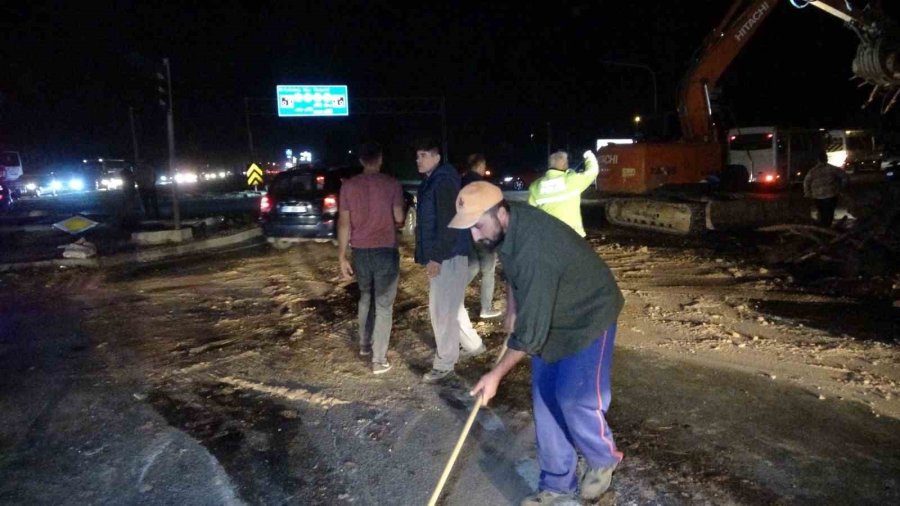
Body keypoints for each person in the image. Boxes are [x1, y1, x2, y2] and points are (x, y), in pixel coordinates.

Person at [452, 182, 625, 505]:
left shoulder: (535, 248)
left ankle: (603, 457)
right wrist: (513, 307)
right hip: (553, 309)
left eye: (477, 226)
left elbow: (530, 335)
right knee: (546, 400)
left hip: (588, 313)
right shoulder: (507, 226)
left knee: (574, 397)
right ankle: (557, 487)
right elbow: (513, 272)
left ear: (500, 213)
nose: (475, 236)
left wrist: (495, 376)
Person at [414, 138, 484, 383]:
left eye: (423, 155)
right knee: (451, 306)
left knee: (442, 311)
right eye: (417, 156)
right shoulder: (436, 181)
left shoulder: (442, 182)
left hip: (448, 256)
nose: (418, 160)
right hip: (450, 254)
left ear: (436, 157)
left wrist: (436, 257)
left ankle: (444, 364)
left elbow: (449, 223)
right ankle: (474, 346)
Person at [337, 142, 405, 375]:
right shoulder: (392, 184)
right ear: (380, 159)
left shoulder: (348, 187)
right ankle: (379, 360)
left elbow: (344, 223)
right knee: (384, 304)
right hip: (385, 250)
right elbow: (398, 217)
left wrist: (341, 257)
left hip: (360, 252)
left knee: (366, 296)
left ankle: (365, 344)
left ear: (360, 161)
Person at [462, 153, 501, 319]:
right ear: (479, 166)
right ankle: (486, 308)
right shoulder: (483, 185)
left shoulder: (460, 182)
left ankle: (451, 293)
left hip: (464, 232)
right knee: (488, 270)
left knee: (473, 266)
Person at [527, 150, 599, 237]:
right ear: (565, 164)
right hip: (571, 235)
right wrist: (588, 155)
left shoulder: (536, 185)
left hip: (546, 234)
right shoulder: (572, 180)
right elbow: (593, 171)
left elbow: (530, 211)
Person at [803, 152, 849, 227]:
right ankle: (827, 226)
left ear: (817, 160)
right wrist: (841, 187)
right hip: (831, 195)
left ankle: (823, 227)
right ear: (826, 159)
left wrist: (808, 193)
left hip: (818, 197)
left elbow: (806, 182)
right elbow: (844, 177)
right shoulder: (832, 169)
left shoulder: (813, 171)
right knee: (829, 212)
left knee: (822, 212)